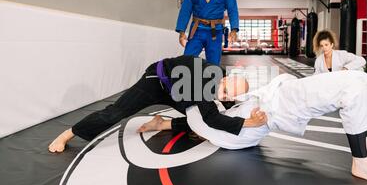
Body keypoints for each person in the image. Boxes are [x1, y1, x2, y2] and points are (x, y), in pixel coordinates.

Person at [140, 71, 367, 185]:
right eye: (222, 88)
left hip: (282, 95)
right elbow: (205, 118)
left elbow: (209, 114)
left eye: (223, 86)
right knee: (353, 87)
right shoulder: (210, 120)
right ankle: (361, 161)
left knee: (362, 78)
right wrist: (245, 120)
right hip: (282, 105)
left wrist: (163, 123)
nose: (220, 90)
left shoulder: (214, 114)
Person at [48, 56, 267, 153]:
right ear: (224, 79)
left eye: (227, 96)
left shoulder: (223, 82)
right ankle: (68, 133)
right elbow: (212, 117)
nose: (221, 94)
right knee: (115, 113)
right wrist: (249, 122)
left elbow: (213, 116)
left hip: (180, 93)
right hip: (157, 81)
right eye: (224, 89)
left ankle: (161, 124)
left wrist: (235, 108)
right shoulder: (205, 80)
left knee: (200, 123)